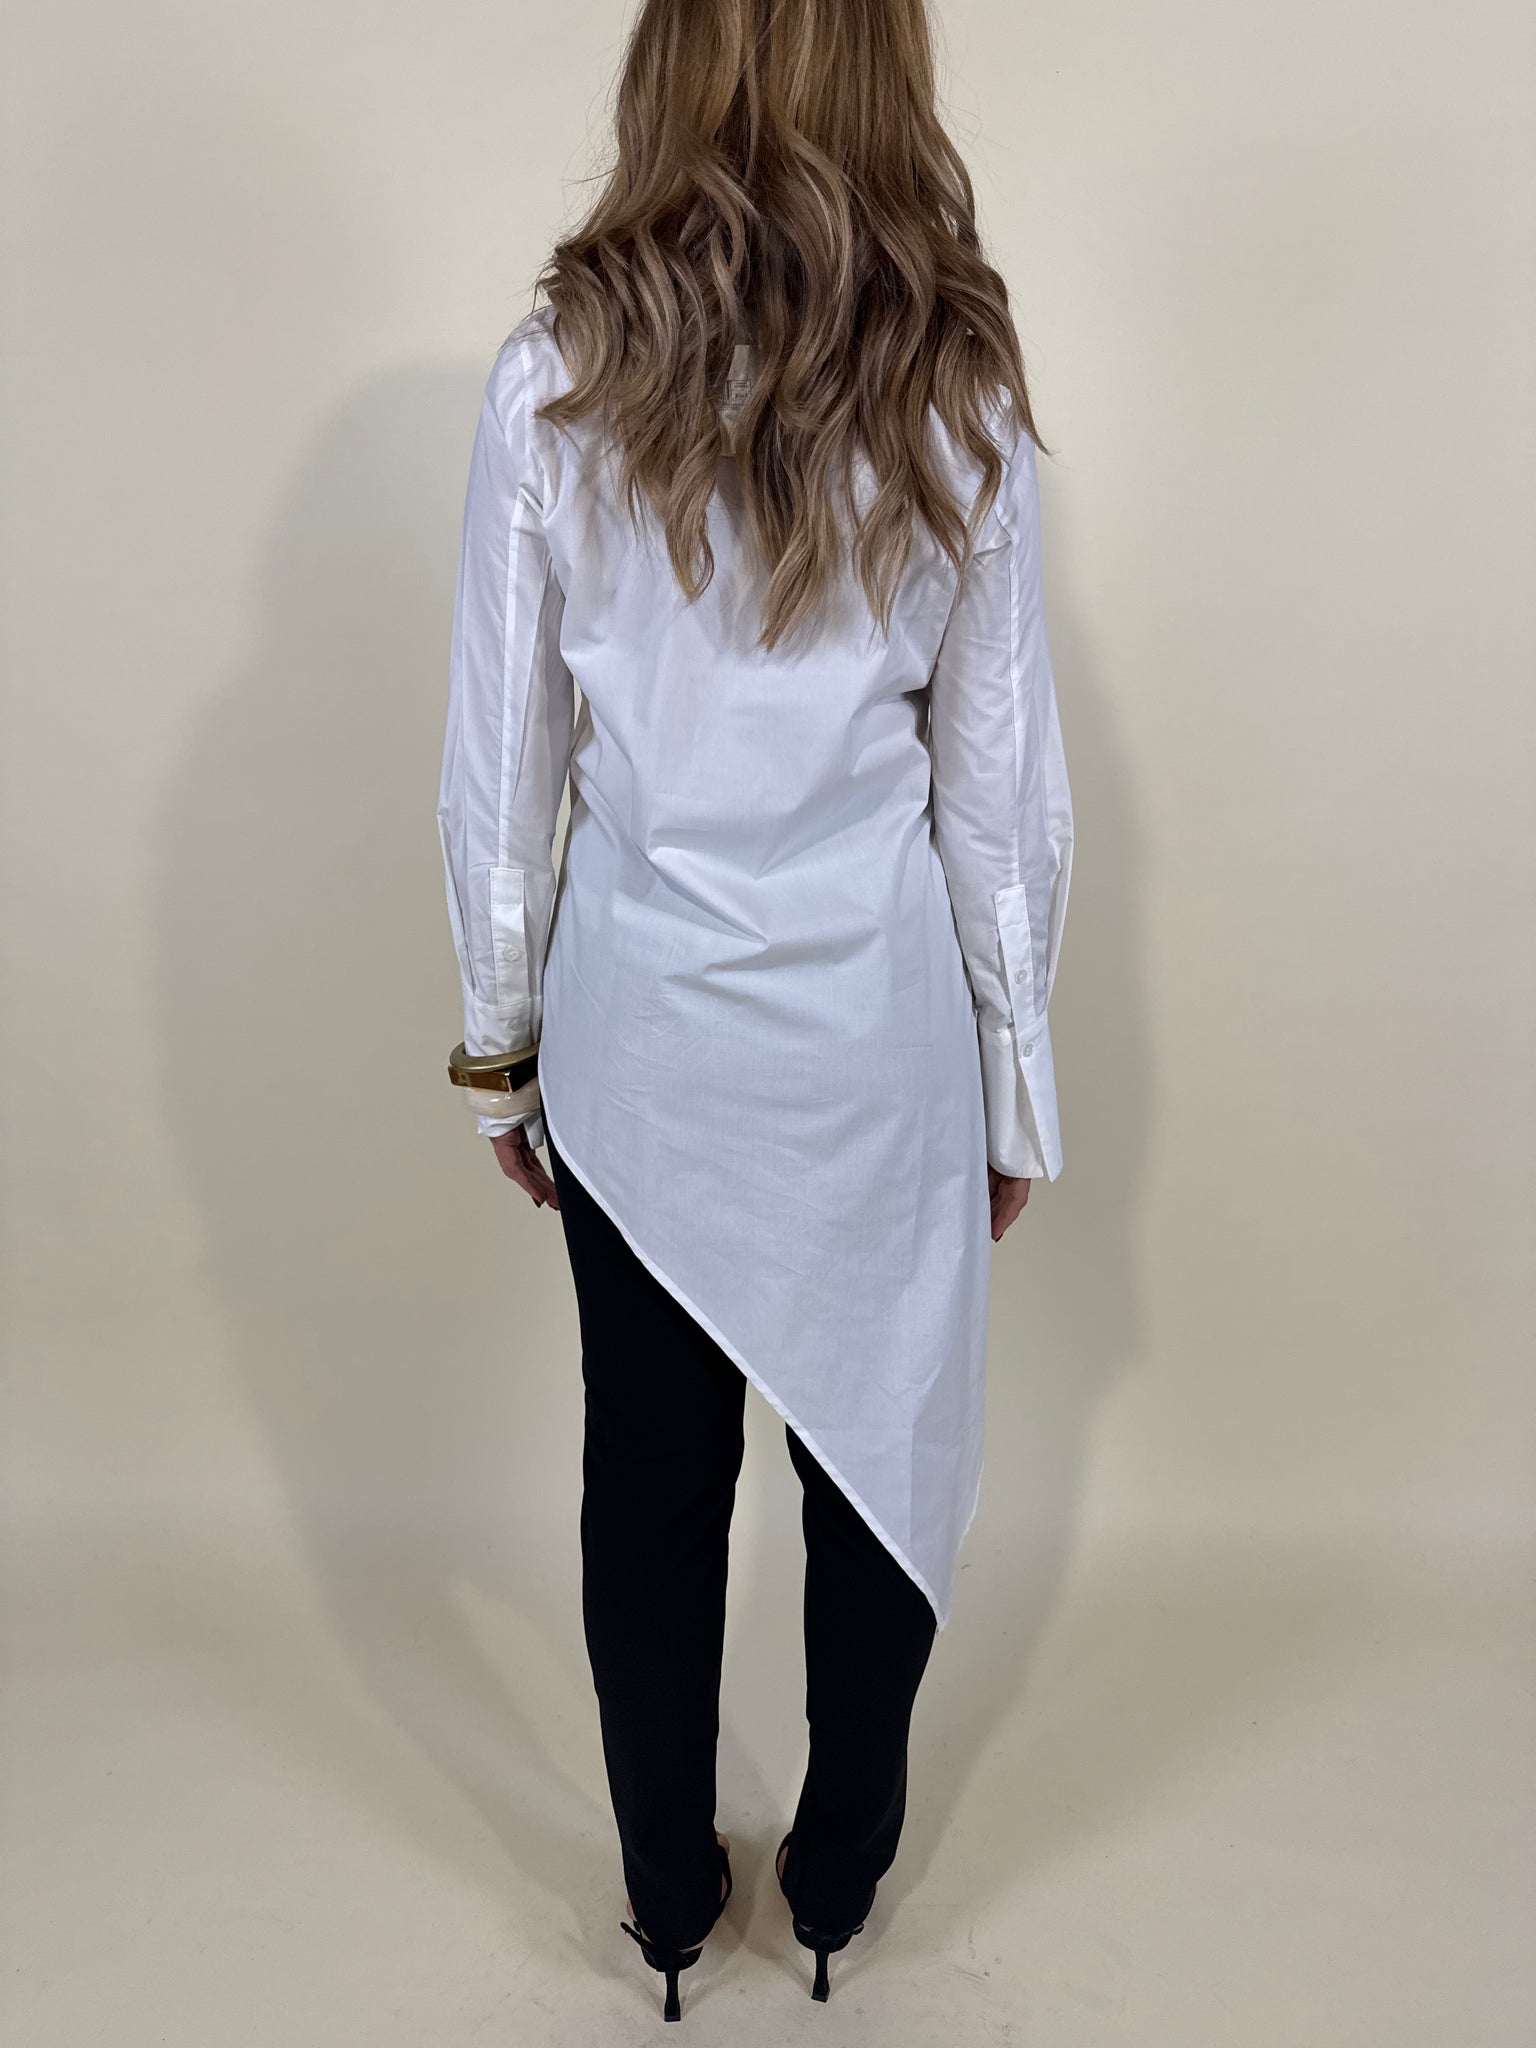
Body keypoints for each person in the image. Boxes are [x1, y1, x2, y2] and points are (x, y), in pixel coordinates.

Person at [435, 0, 1073, 2019]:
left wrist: (503, 1047)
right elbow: (997, 799)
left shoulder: (555, 375)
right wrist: (1017, 1087)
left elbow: (502, 768)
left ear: (666, 66)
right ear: (889, 71)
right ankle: (836, 1885)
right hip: (876, 1040)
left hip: (644, 1040)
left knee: (649, 1471)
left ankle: (656, 1896)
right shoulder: (960, 384)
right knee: (877, 1454)